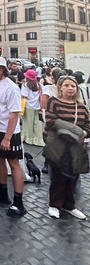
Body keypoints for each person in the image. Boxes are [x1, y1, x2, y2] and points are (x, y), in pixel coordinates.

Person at [0, 56, 26, 218]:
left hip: (9, 131)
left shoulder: (11, 87)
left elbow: (14, 114)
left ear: (4, 69)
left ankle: (19, 202)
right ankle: (3, 193)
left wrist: (7, 138)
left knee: (14, 164)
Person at [44, 76, 90, 220]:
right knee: (57, 175)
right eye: (67, 85)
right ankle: (54, 204)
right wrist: (74, 131)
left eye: (73, 86)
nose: (70, 88)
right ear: (60, 88)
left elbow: (88, 124)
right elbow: (51, 121)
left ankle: (69, 205)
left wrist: (83, 133)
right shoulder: (54, 102)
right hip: (58, 144)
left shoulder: (81, 107)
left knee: (73, 175)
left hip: (75, 146)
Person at [21, 70, 44, 146]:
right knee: (37, 123)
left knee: (28, 123)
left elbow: (24, 96)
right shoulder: (39, 85)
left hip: (28, 106)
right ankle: (38, 139)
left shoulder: (25, 85)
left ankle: (28, 138)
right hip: (37, 106)